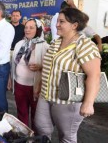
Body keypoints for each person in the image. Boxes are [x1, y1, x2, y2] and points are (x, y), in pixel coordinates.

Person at [34, 8, 101, 142]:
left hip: (67, 101)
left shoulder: (84, 45)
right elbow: (49, 67)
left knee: (66, 135)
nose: (57, 24)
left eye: (61, 22)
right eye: (57, 21)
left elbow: (94, 75)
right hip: (46, 96)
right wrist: (39, 87)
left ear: (74, 25)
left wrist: (88, 103)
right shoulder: (56, 42)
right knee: (41, 128)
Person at [8, 18, 49, 130]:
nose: (27, 30)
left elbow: (51, 67)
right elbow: (13, 64)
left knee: (36, 116)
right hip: (19, 85)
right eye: (26, 27)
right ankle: (25, 136)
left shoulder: (44, 46)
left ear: (38, 29)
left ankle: (35, 136)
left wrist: (41, 67)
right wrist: (11, 79)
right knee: (21, 113)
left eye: (31, 27)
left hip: (35, 88)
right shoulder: (19, 44)